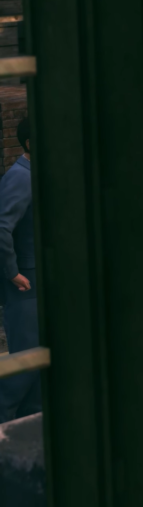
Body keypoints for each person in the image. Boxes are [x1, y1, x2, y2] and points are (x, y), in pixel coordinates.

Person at [0, 117, 39, 423]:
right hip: (25, 282)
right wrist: (13, 272)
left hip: (38, 278)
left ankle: (31, 423)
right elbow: (2, 227)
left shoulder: (34, 175)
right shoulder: (20, 177)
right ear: (30, 143)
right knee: (26, 359)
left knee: (40, 359)